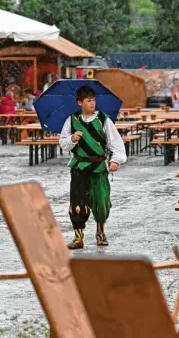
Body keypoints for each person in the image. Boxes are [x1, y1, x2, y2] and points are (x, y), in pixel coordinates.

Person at [59, 86, 126, 249]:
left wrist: (116, 160)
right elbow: (63, 143)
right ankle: (78, 236)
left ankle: (100, 232)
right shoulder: (72, 120)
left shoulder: (103, 119)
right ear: (79, 102)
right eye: (88, 101)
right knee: (77, 201)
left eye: (93, 100)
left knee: (101, 201)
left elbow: (115, 142)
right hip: (79, 165)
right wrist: (72, 139)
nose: (92, 103)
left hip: (98, 166)